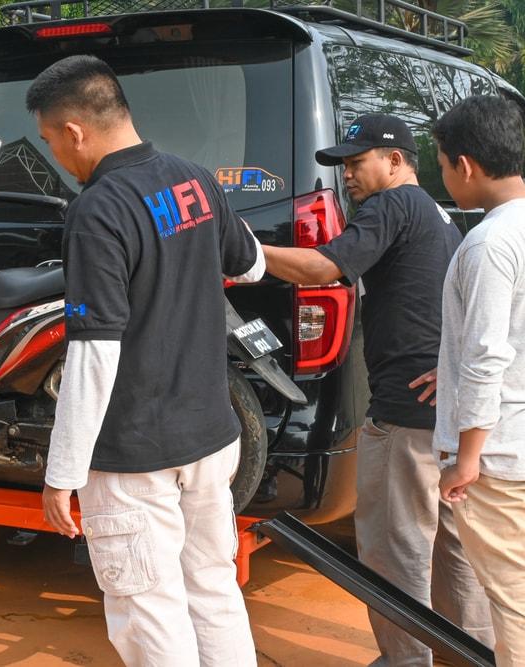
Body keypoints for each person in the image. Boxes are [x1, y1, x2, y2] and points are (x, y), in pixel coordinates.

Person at [28, 55, 265, 667]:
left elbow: (94, 352)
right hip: (211, 436)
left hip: (135, 455)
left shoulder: (97, 209)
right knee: (213, 587)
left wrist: (62, 471)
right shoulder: (194, 179)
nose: (57, 154)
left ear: (75, 130)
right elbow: (250, 264)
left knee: (147, 610)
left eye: (51, 140)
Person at [260, 114, 493, 665]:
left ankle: (407, 661)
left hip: (404, 413)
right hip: (445, 412)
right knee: (452, 551)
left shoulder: (391, 205)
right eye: (342, 165)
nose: (347, 175)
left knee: (393, 551)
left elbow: (321, 269)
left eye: (356, 162)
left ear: (394, 161)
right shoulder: (436, 214)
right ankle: (474, 655)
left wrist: (247, 250)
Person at [431, 95, 525, 667]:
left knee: (514, 605)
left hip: (498, 458)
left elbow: (488, 356)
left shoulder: (490, 243)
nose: (444, 176)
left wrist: (467, 460)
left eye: (442, 165)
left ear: (465, 165)